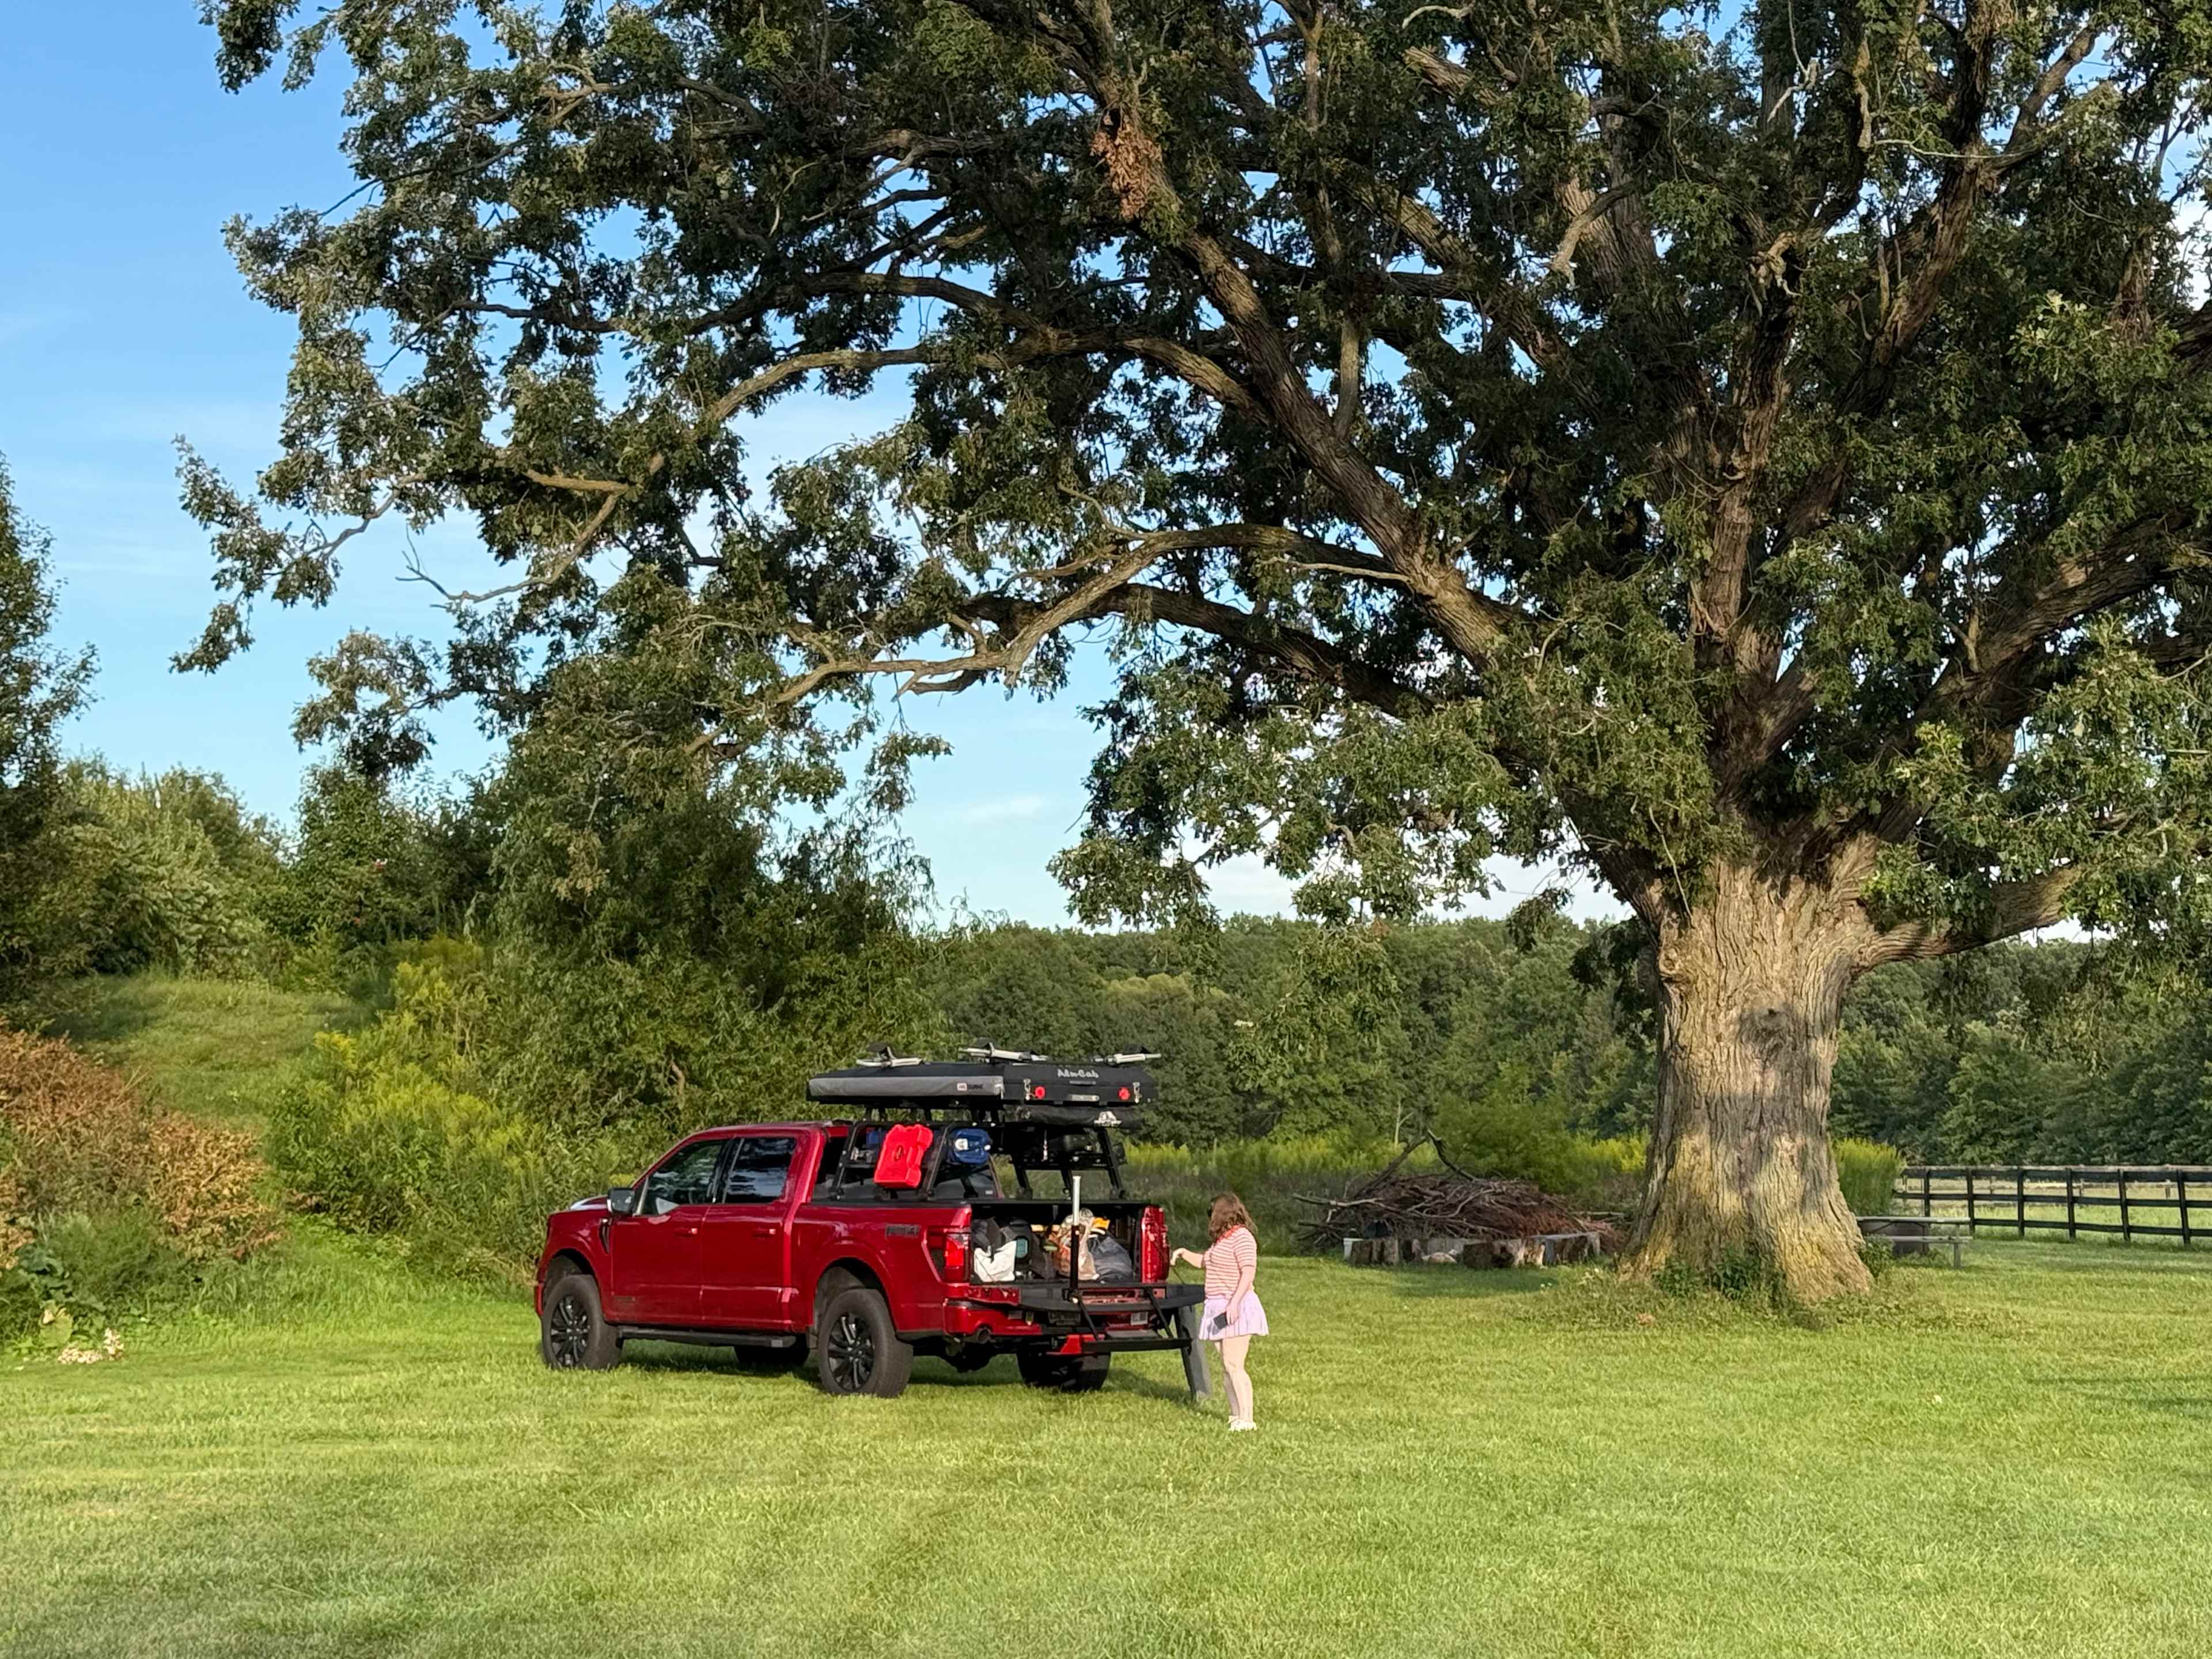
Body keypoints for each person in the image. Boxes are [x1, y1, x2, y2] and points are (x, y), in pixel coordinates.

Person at [1172, 1193, 1267, 1431]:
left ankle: (1247, 1418)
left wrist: (1234, 1303)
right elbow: (1206, 1261)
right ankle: (1235, 1415)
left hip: (1236, 1306)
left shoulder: (1242, 1238)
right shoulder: (1222, 1240)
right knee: (1226, 1367)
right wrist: (1183, 1253)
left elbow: (1248, 1272)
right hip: (1217, 1307)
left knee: (1235, 1364)